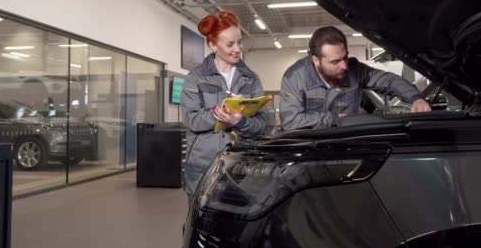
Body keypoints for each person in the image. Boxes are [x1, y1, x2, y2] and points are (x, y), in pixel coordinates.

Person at [181, 11, 267, 203]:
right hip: (203, 165)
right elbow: (191, 120)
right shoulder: (196, 78)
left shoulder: (251, 79)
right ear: (213, 45)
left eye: (239, 42)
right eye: (230, 44)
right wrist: (221, 115)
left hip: (242, 165)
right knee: (201, 223)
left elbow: (262, 124)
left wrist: (241, 121)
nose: (237, 49)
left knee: (239, 223)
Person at [280, 26, 431, 131]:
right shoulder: (295, 77)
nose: (344, 66)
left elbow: (389, 81)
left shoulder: (355, 70)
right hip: (311, 151)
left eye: (345, 57)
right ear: (316, 60)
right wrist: (333, 118)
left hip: (349, 146)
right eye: (335, 62)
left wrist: (416, 98)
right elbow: (291, 122)